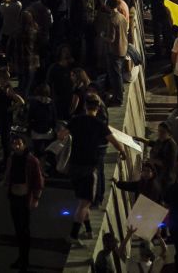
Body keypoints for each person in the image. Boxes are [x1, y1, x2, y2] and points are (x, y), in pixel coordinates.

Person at [67, 96, 126, 246]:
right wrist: (123, 152)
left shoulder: (76, 120)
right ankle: (73, 235)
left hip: (74, 165)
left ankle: (87, 230)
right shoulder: (99, 125)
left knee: (82, 200)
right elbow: (115, 142)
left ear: (85, 105)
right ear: (98, 107)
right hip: (88, 167)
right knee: (85, 203)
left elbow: (62, 135)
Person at [5, 132, 45, 272]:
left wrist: (36, 198)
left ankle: (24, 260)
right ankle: (21, 258)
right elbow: (9, 173)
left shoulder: (32, 160)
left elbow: (38, 182)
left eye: (19, 143)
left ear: (24, 144)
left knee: (24, 231)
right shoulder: (12, 158)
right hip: (14, 197)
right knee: (18, 230)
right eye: (14, 144)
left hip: (24, 199)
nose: (16, 146)